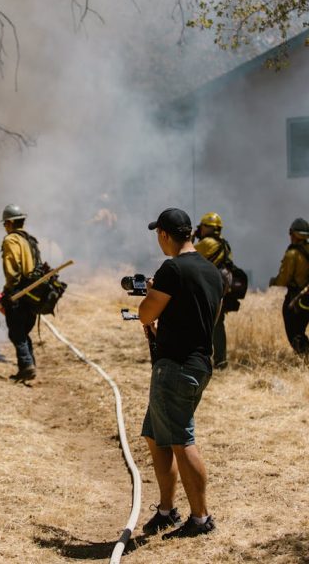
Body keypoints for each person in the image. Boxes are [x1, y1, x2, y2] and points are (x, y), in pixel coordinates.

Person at [138, 207, 224, 539]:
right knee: (155, 434)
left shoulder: (171, 269)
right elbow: (207, 319)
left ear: (164, 234)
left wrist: (150, 293)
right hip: (199, 362)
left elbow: (146, 313)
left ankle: (201, 520)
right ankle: (166, 511)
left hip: (175, 366)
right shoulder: (211, 271)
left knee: (181, 441)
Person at [0, 204, 39, 381]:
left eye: (4, 224)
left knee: (16, 332)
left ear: (9, 223)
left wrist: (9, 290)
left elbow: (12, 267)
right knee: (22, 332)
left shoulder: (11, 240)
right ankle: (29, 366)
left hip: (19, 293)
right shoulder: (29, 240)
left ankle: (27, 366)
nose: (4, 228)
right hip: (33, 293)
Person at [194, 212, 232, 369]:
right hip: (220, 290)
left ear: (206, 227)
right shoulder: (224, 243)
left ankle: (200, 359)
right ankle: (221, 360)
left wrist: (191, 238)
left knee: (201, 324)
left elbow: (184, 255)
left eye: (201, 226)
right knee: (218, 325)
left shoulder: (207, 243)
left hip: (205, 289)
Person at [269, 217, 309, 356]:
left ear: (293, 234)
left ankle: (306, 357)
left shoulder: (292, 253)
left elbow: (283, 279)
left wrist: (273, 281)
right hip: (306, 298)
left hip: (297, 299)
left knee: (295, 332)